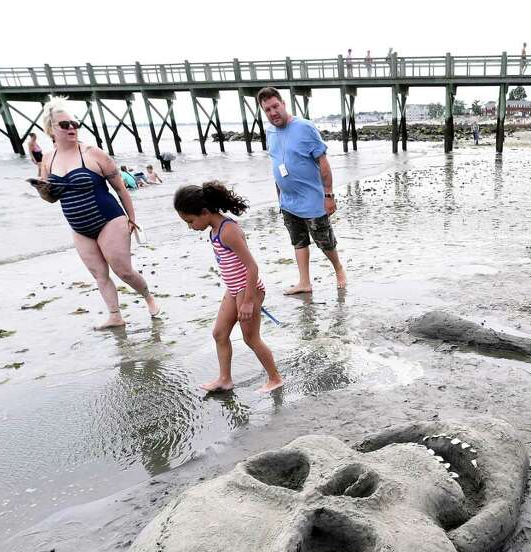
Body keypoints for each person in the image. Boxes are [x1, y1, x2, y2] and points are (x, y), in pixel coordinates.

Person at [35, 97, 159, 329]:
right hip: (79, 227)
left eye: (74, 123)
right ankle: (115, 316)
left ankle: (148, 297)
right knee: (99, 274)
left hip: (109, 219)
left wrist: (132, 218)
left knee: (123, 270)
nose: (72, 128)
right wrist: (41, 190)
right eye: (65, 125)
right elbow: (51, 198)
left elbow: (120, 188)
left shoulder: (93, 153)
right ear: (51, 129)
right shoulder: (48, 159)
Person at [173, 182, 283, 394]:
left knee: (251, 338)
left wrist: (249, 301)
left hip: (247, 289)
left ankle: (275, 378)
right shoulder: (214, 228)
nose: (190, 226)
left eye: (190, 221)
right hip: (233, 289)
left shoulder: (228, 230)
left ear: (204, 212)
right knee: (219, 333)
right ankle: (225, 379)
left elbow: (252, 267)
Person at [258, 87, 348, 295]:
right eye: (267, 110)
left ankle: (339, 269)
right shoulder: (270, 131)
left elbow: (322, 162)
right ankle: (304, 282)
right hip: (287, 200)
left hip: (312, 199)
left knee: (324, 240)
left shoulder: (305, 127)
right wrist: (279, 194)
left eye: (275, 106)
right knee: (298, 241)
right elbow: (276, 163)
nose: (273, 113)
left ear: (283, 104)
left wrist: (328, 195)